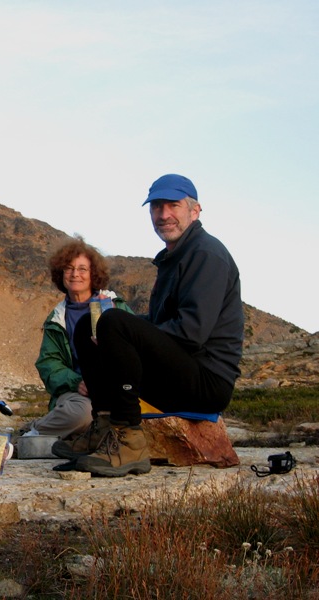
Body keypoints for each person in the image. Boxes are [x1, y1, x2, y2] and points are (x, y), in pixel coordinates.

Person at [53, 174, 243, 477]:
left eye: (173, 205)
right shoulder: (175, 257)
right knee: (92, 323)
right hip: (181, 370)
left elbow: (191, 333)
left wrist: (120, 330)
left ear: (194, 211)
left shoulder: (206, 254)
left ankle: (128, 438)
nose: (163, 214)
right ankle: (104, 426)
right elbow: (158, 325)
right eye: (156, 207)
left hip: (207, 381)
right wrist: (110, 330)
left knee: (113, 322)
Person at [23, 238, 132, 439]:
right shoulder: (57, 319)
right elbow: (49, 364)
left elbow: (137, 345)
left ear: (93, 274)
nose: (75, 274)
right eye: (69, 268)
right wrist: (77, 382)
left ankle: (53, 430)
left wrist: (115, 318)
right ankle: (35, 428)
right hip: (80, 393)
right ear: (61, 274)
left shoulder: (114, 305)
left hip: (119, 387)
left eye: (83, 269)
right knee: (83, 415)